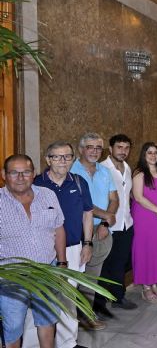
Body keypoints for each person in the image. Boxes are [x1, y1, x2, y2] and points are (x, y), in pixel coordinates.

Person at [0, 154, 66, 348]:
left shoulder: (48, 195)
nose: (21, 177)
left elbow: (59, 228)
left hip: (47, 272)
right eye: (14, 172)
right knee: (12, 328)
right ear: (4, 175)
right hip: (11, 278)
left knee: (47, 321)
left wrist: (62, 263)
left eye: (26, 172)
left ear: (34, 173)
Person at [32, 144, 93, 348]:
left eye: (67, 157)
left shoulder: (78, 182)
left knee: (69, 296)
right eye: (57, 157)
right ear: (48, 160)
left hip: (74, 248)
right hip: (43, 250)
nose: (63, 161)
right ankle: (35, 344)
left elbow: (87, 214)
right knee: (41, 298)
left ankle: (68, 343)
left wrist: (87, 243)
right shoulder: (36, 184)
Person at [70, 132, 118, 331]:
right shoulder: (71, 170)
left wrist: (105, 223)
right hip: (76, 230)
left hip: (100, 229)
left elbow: (114, 199)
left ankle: (86, 315)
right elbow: (82, 203)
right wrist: (106, 215)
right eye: (90, 147)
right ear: (81, 149)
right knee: (74, 277)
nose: (95, 151)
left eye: (98, 147)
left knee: (92, 276)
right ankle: (71, 319)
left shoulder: (105, 171)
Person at [94, 134, 138, 317]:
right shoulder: (101, 169)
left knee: (120, 263)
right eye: (119, 147)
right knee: (103, 266)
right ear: (110, 149)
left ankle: (118, 297)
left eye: (126, 148)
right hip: (108, 226)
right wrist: (103, 223)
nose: (123, 151)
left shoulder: (127, 168)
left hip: (126, 223)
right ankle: (99, 303)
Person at [131, 142, 157, 301]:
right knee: (145, 249)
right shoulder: (139, 173)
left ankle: (155, 282)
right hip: (145, 217)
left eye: (156, 153)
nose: (153, 156)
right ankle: (146, 287)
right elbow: (138, 197)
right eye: (149, 152)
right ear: (144, 154)